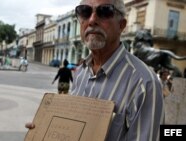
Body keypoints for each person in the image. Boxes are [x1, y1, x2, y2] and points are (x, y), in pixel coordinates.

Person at [26, 0, 164, 141]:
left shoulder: (144, 84)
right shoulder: (81, 72)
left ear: (121, 25)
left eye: (104, 12)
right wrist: (45, 130)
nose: (92, 20)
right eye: (84, 12)